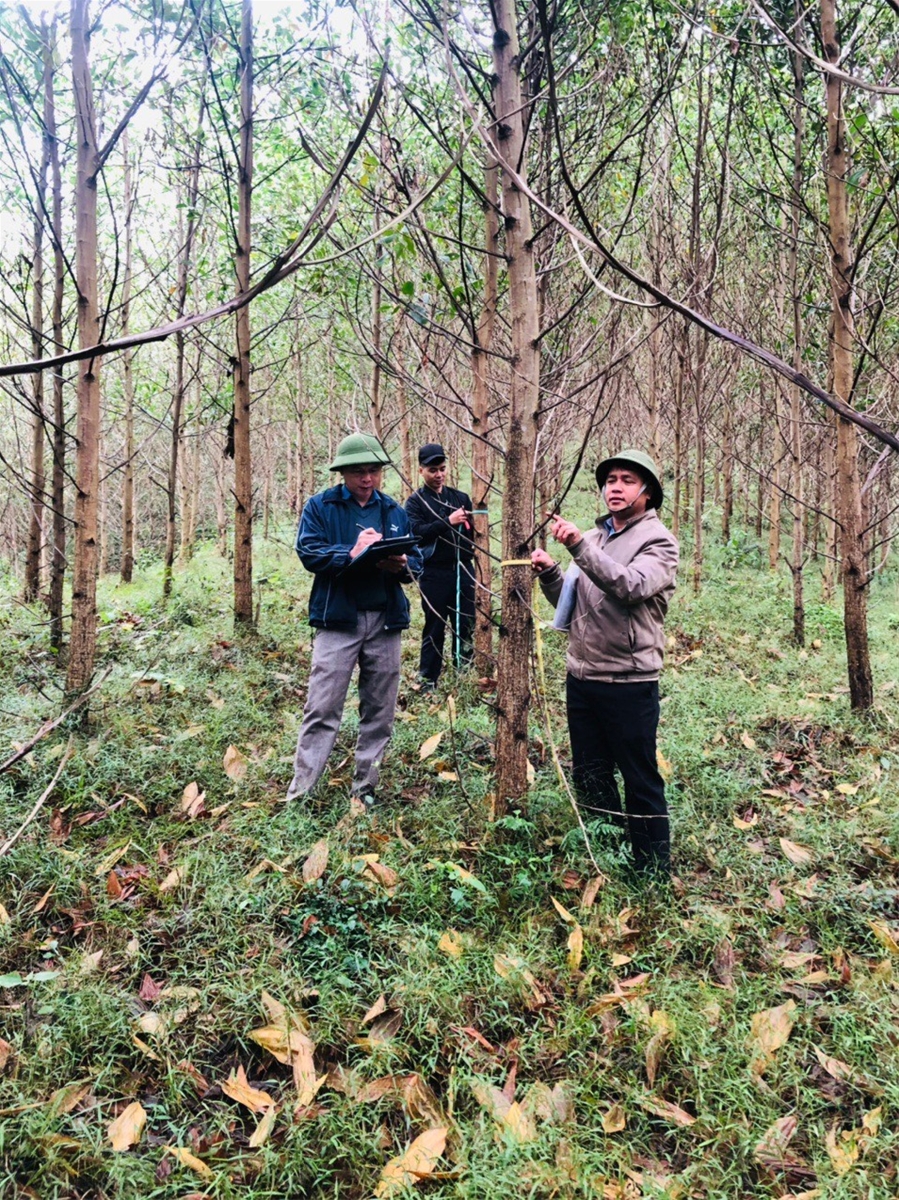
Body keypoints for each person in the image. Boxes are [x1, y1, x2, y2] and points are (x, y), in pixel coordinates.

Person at [531, 449, 679, 876]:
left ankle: (652, 869)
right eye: (610, 479)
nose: (615, 487)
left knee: (638, 777)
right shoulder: (596, 538)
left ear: (647, 493)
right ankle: (607, 855)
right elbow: (571, 604)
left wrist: (577, 545)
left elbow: (630, 587)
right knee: (592, 773)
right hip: (582, 675)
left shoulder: (658, 542)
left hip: (629, 680)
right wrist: (551, 572)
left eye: (627, 480)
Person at [285, 433, 423, 808]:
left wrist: (402, 565)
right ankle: (301, 793)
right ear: (343, 472)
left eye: (374, 471)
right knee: (323, 707)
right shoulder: (321, 507)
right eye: (359, 472)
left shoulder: (394, 511)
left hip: (385, 621)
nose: (367, 479)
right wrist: (353, 552)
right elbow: (309, 551)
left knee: (380, 710)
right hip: (338, 621)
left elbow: (416, 563)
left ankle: (365, 788)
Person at [405, 443, 476, 690]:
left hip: (463, 570)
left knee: (465, 624)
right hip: (433, 573)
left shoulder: (460, 498)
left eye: (443, 469)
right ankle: (427, 681)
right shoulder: (415, 502)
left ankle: (464, 676)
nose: (439, 475)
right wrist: (448, 521)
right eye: (433, 470)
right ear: (421, 471)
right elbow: (416, 534)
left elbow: (471, 535)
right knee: (435, 626)